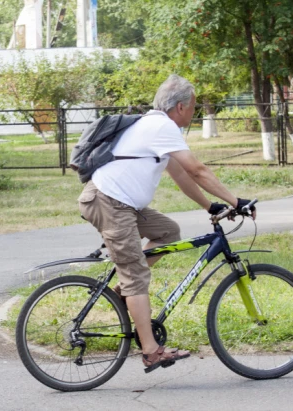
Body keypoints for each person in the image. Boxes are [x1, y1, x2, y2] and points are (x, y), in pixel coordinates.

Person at [78, 74, 256, 373]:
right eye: (193, 107)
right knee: (135, 275)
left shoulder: (157, 127)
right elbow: (197, 170)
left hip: (120, 203)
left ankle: (125, 295)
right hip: (109, 203)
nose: (194, 112)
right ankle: (150, 351)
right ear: (181, 106)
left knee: (168, 232)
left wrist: (211, 205)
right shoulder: (160, 125)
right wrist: (236, 201)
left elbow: (182, 175)